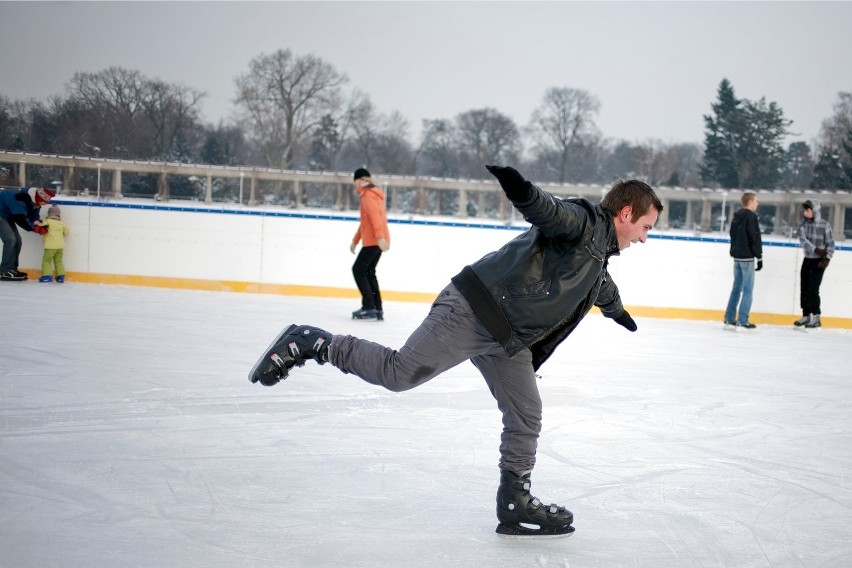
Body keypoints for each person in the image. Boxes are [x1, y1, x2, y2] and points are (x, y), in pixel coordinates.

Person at [248, 165, 663, 537]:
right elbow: (550, 211)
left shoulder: (596, 253)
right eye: (646, 227)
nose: (645, 238)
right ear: (625, 213)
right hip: (475, 309)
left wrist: (617, 310)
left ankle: (514, 501)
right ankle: (312, 342)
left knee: (526, 413)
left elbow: (598, 285)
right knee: (399, 373)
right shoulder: (583, 223)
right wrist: (522, 192)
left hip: (508, 338)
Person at [350, 167, 390, 320]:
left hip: (375, 240)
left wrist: (379, 237)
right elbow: (366, 222)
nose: (355, 186)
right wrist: (355, 241)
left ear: (359, 180)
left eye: (355, 182)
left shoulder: (367, 196)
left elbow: (375, 218)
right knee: (369, 272)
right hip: (376, 240)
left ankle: (369, 307)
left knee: (358, 270)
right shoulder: (374, 194)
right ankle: (377, 308)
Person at [723, 192, 762, 329]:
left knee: (736, 288)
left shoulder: (737, 216)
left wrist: (734, 250)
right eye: (756, 201)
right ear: (750, 201)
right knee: (747, 289)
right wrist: (759, 255)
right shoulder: (751, 217)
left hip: (737, 257)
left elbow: (733, 234)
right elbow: (754, 237)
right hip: (747, 257)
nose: (758, 203)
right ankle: (743, 320)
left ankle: (729, 317)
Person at [0, 186, 56, 281]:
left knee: (18, 241)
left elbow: (33, 218)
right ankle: (4, 270)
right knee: (10, 239)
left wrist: (40, 224)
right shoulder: (21, 198)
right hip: (2, 214)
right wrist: (36, 229)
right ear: (39, 198)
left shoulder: (35, 203)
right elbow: (20, 219)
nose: (45, 204)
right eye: (44, 201)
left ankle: (12, 269)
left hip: (7, 215)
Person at [794, 200, 834, 329]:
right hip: (808, 259)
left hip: (819, 262)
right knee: (804, 288)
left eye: (808, 210)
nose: (805, 213)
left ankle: (816, 316)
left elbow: (831, 244)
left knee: (813, 289)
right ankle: (806, 315)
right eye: (804, 210)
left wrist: (827, 259)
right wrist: (816, 249)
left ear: (815, 211)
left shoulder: (825, 225)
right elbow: (803, 240)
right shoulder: (802, 224)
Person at [36, 205, 69, 283]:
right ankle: (60, 276)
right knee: (58, 261)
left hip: (50, 246)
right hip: (60, 246)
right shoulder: (61, 223)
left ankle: (47, 276)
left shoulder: (47, 221)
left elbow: (40, 226)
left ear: (49, 214)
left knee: (46, 261)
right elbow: (67, 231)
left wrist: (37, 222)